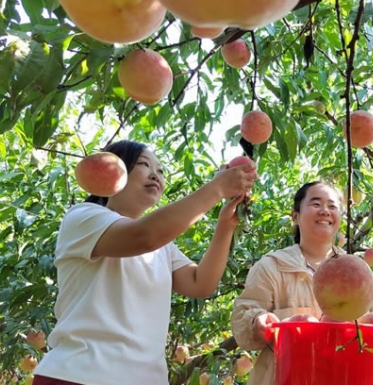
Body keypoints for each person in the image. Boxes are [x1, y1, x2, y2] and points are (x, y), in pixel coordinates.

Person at [33, 140, 257, 385]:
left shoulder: (163, 246)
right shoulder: (83, 217)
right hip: (80, 373)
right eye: (144, 164)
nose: (156, 175)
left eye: (161, 171)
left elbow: (200, 283)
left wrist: (225, 225)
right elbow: (144, 236)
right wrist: (216, 188)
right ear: (115, 168)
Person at [230, 181, 373, 385]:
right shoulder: (272, 266)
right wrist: (258, 321)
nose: (325, 211)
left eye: (332, 206)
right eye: (316, 204)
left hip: (343, 377)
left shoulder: (358, 270)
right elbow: (243, 318)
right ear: (296, 216)